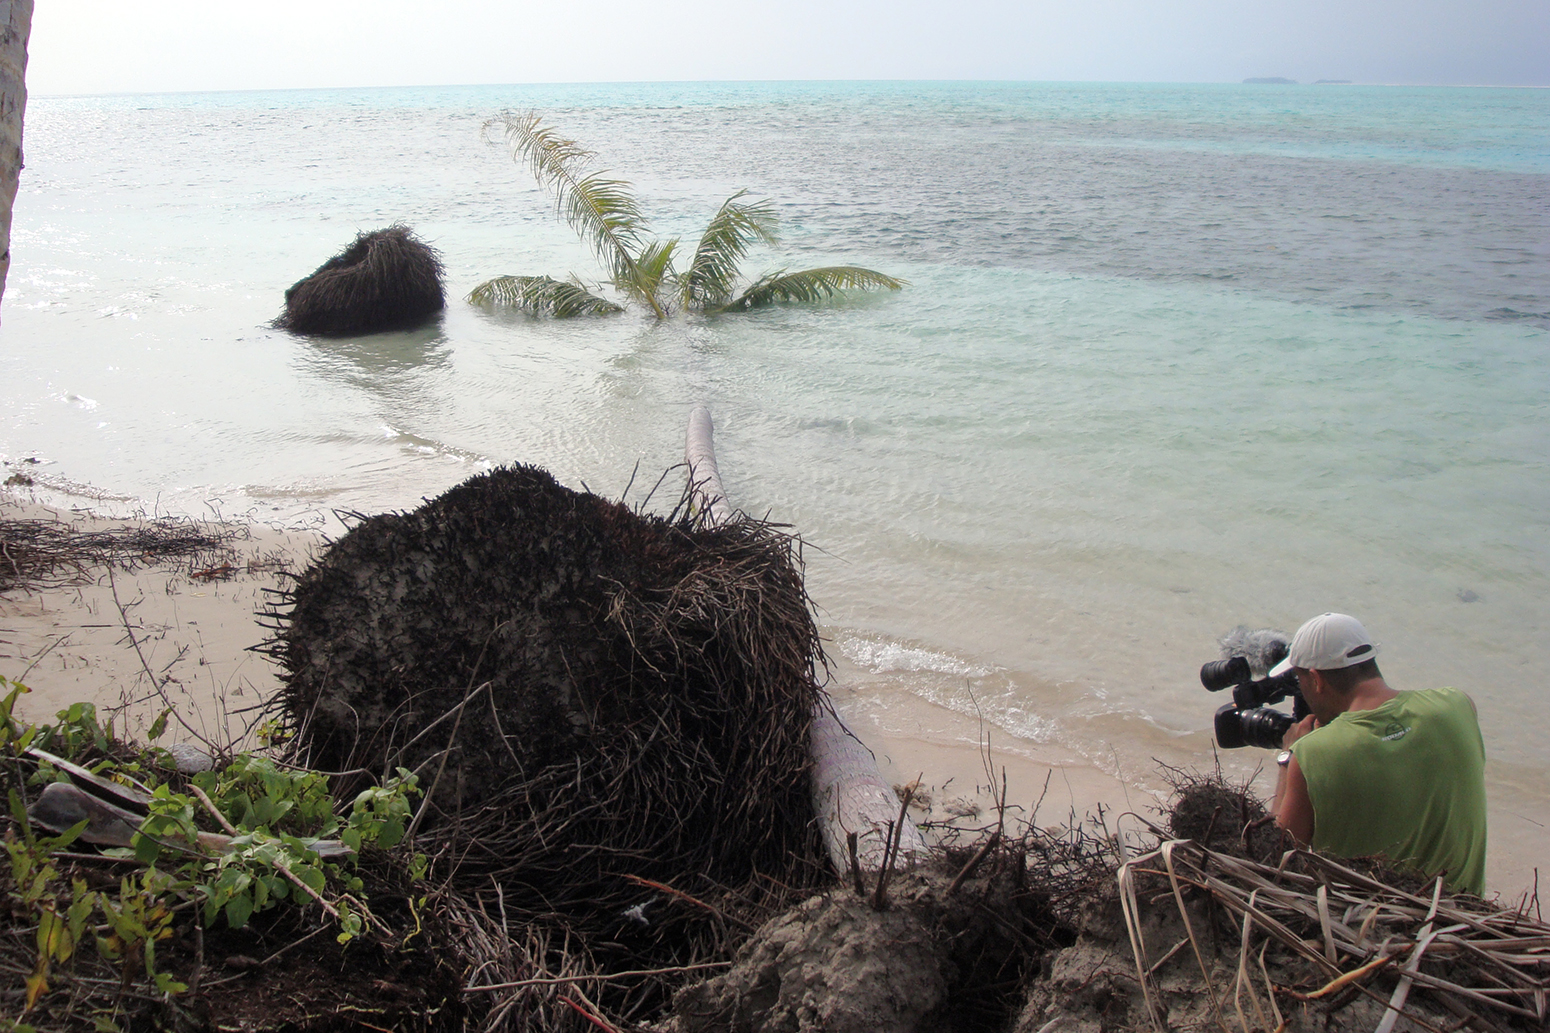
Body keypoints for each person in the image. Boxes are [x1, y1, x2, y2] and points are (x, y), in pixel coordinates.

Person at [1269, 613, 1487, 895]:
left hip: (1372, 928)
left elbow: (1275, 857)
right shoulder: (1459, 706)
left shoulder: (1313, 753)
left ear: (1316, 679)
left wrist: (1288, 757)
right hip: (1463, 923)